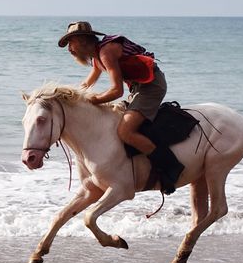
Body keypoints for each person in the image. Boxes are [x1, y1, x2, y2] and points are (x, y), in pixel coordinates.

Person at [58, 21, 184, 194]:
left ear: (81, 40)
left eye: (70, 43)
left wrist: (94, 101)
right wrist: (70, 99)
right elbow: (86, 85)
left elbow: (117, 91)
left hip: (151, 86)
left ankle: (171, 168)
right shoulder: (97, 57)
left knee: (126, 131)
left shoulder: (106, 52)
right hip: (137, 88)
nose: (69, 49)